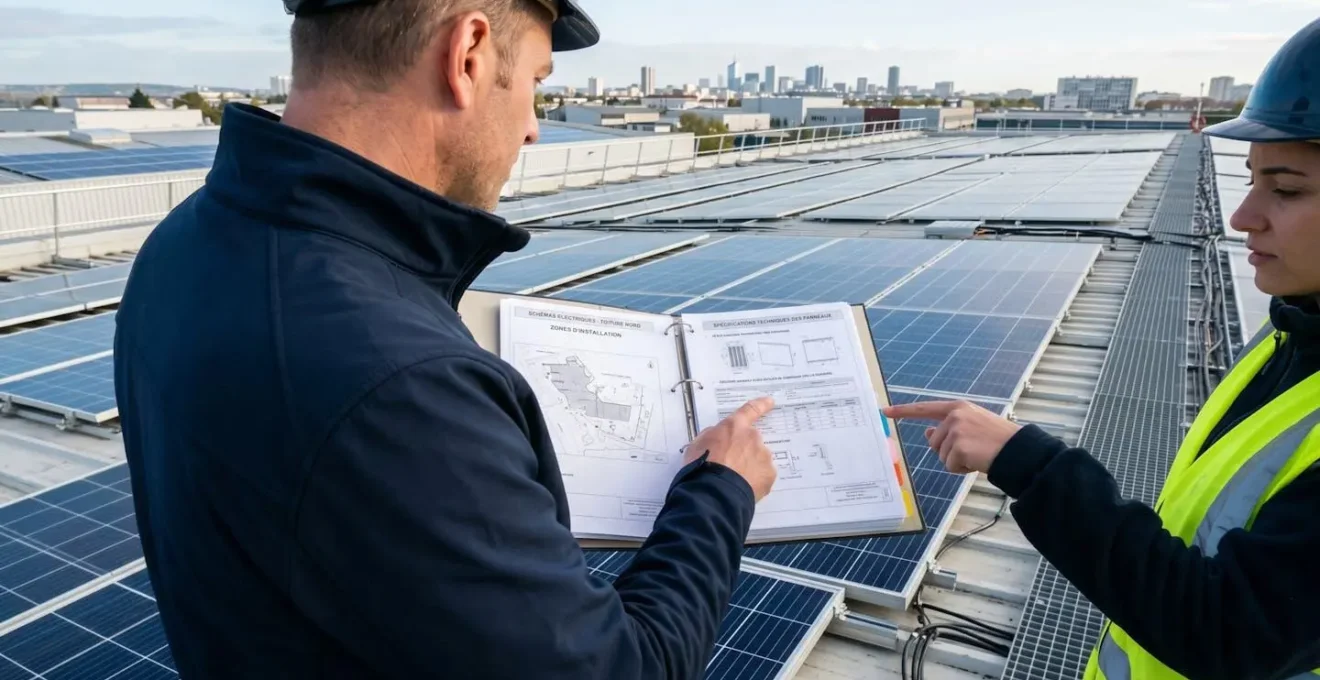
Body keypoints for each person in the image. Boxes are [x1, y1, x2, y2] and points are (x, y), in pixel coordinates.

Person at [113, 1, 779, 677]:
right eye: (535, 85)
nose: (532, 131)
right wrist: (722, 491)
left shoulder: (184, 242)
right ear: (468, 55)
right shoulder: (402, 384)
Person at [884, 18, 1320, 680]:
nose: (1243, 215)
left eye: (1285, 190)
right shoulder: (1296, 327)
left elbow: (1235, 630)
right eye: (1253, 178)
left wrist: (1028, 463)